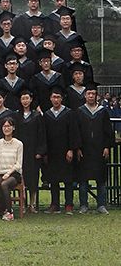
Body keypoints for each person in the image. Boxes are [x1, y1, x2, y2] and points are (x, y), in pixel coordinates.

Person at [74, 84, 113, 214]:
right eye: (88, 94)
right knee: (83, 179)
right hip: (84, 150)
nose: (91, 96)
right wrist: (78, 147)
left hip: (99, 149)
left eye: (93, 94)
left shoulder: (103, 111)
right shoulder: (80, 111)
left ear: (96, 96)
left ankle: (101, 205)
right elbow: (76, 132)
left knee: (100, 178)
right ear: (85, 96)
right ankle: (83, 205)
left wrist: (107, 146)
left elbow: (108, 131)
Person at [42, 86, 78, 214]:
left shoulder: (69, 113)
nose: (56, 100)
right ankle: (55, 204)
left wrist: (71, 149)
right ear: (50, 99)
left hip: (65, 151)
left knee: (68, 179)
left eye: (58, 97)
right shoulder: (47, 115)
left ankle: (69, 204)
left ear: (62, 99)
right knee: (53, 180)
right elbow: (44, 135)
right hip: (52, 152)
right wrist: (45, 152)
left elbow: (73, 132)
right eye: (54, 97)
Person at [0, 118, 23, 220]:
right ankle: (3, 208)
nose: (6, 128)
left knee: (4, 184)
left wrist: (9, 173)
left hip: (14, 174)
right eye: (4, 126)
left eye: (8, 126)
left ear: (13, 128)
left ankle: (9, 211)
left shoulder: (18, 144)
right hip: (1, 172)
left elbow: (19, 164)